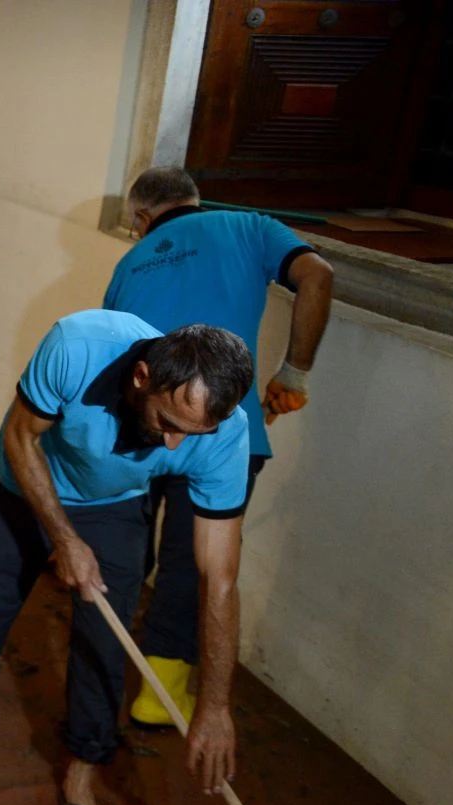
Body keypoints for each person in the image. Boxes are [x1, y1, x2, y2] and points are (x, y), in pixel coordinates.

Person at [0, 312, 254, 805]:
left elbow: (220, 579)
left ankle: (83, 770)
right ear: (142, 377)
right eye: (167, 422)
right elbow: (21, 438)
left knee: (104, 642)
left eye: (191, 434)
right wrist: (64, 539)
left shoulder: (226, 435)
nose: (171, 446)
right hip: (22, 483)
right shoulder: (79, 346)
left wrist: (214, 706)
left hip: (113, 508)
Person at [104, 167, 334, 729]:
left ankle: (105, 654)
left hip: (144, 425)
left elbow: (117, 356)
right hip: (224, 431)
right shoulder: (251, 227)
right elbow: (318, 277)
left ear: (141, 219)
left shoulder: (129, 263)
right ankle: (159, 692)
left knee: (129, 538)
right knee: (192, 557)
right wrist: (295, 373)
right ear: (195, 202)